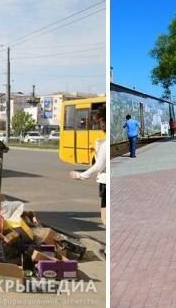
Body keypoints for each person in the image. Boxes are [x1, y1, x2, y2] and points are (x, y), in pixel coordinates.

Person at [70, 107, 107, 256]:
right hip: (105, 182)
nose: (99, 126)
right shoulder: (104, 142)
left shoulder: (105, 143)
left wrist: (79, 175)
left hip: (106, 182)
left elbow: (99, 165)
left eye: (99, 123)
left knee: (105, 218)